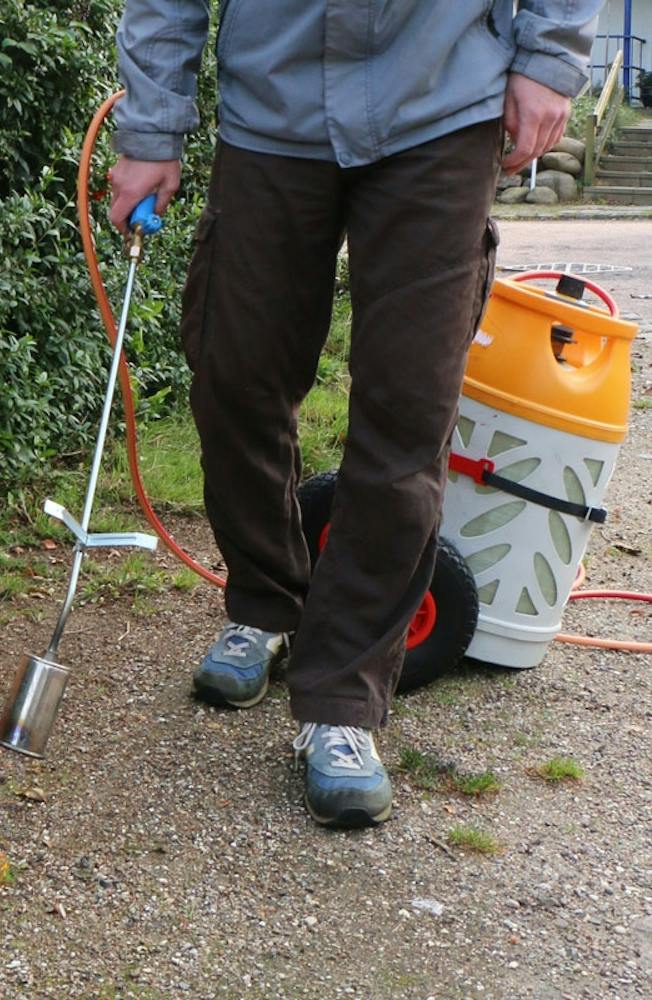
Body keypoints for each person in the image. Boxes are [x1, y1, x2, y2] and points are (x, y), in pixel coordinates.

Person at [109, 1, 600, 827]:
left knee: (407, 410)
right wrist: (152, 128)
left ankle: (342, 695)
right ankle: (266, 600)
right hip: (272, 108)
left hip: (440, 104)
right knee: (236, 375)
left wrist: (548, 58)